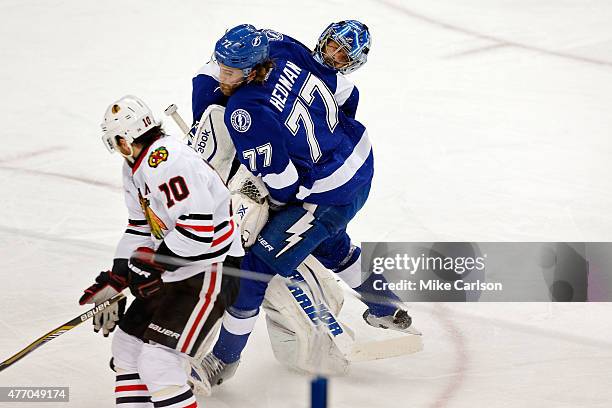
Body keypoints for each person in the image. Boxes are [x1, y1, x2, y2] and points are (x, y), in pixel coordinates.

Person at [192, 24, 413, 388]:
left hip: (329, 192)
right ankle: (385, 305)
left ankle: (223, 360)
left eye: (231, 70)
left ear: (251, 70)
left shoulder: (245, 111)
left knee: (252, 269)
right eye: (222, 66)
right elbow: (343, 94)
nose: (223, 74)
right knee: (329, 244)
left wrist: (272, 208)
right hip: (358, 161)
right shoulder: (280, 47)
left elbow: (283, 183)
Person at [79, 95, 243, 407]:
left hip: (213, 271)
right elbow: (140, 229)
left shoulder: (168, 161)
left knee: (159, 362)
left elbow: (198, 231)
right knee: (126, 349)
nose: (116, 149)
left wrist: (152, 265)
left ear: (126, 141)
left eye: (115, 142)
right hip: (176, 270)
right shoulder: (134, 169)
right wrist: (117, 277)